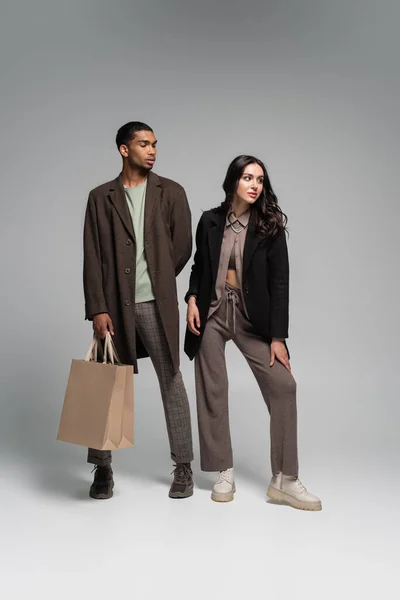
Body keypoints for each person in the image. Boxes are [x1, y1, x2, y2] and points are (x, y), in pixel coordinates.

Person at [184, 155, 321, 510]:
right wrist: (192, 299)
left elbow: (280, 283)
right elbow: (200, 266)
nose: (255, 184)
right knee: (214, 390)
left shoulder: (268, 227)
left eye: (259, 179)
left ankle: (285, 479)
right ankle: (223, 470)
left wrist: (278, 337)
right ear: (233, 182)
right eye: (247, 177)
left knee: (284, 386)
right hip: (212, 313)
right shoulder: (210, 221)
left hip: (251, 318)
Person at [83, 121, 194, 500]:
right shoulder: (101, 197)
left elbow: (183, 246)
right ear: (123, 149)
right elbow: (93, 256)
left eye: (155, 145)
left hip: (154, 304)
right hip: (114, 305)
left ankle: (183, 467)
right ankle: (102, 469)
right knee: (106, 385)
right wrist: (98, 307)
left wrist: (160, 279)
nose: (152, 151)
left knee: (171, 380)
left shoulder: (171, 192)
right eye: (144, 144)